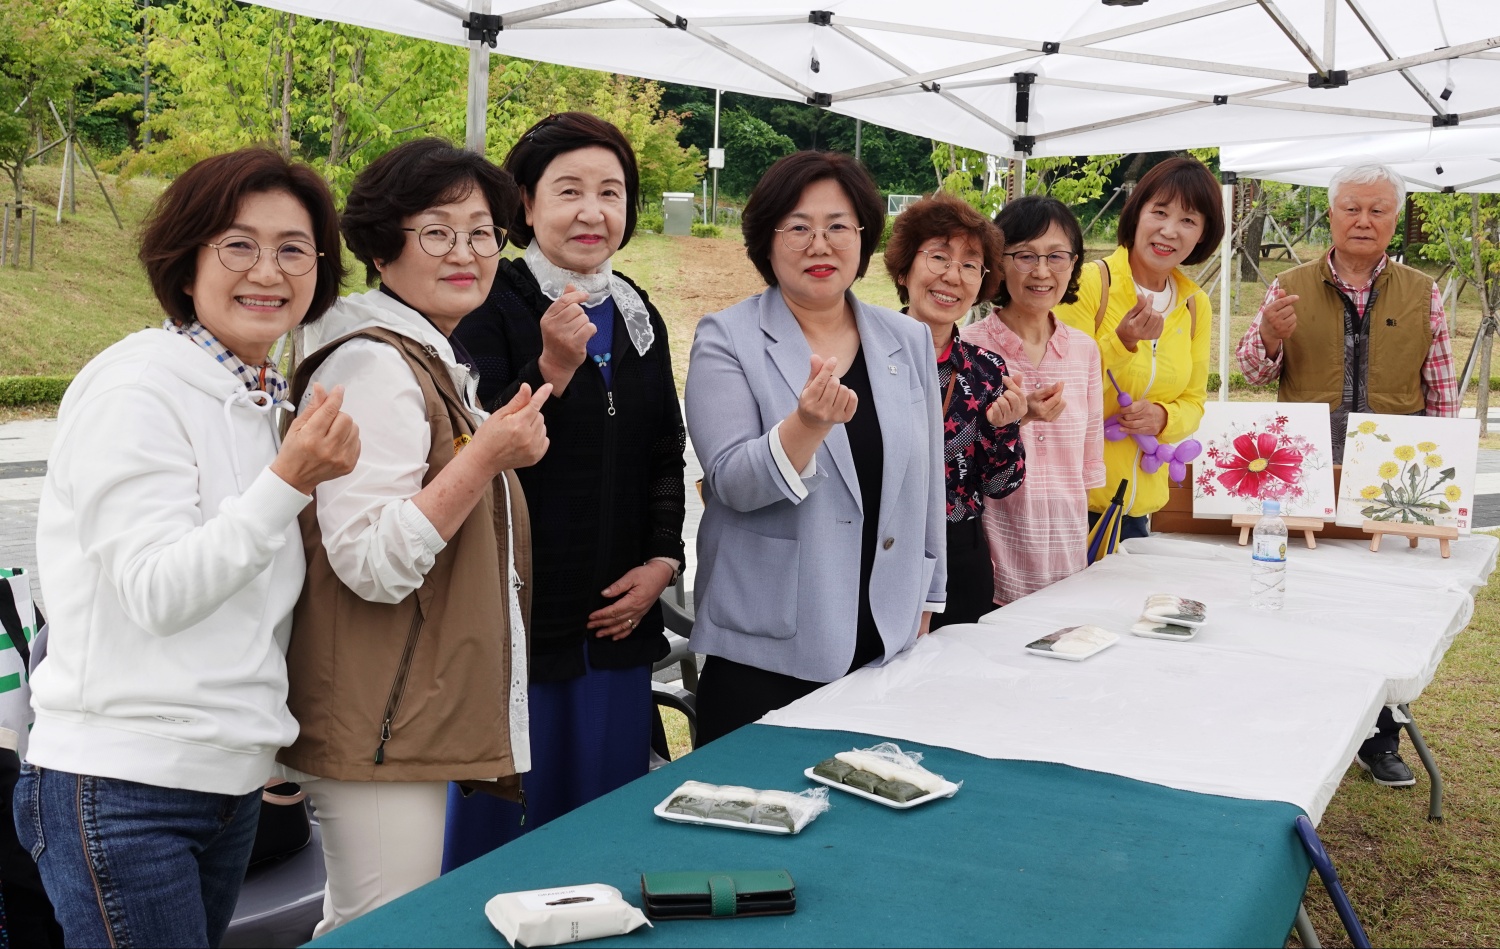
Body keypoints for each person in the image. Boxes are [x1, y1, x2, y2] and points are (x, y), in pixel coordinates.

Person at [18, 148, 359, 948]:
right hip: (122, 782)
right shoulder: (138, 386)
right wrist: (289, 480)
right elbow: (157, 590)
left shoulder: (260, 399)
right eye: (238, 245)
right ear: (187, 257)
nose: (267, 271)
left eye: (293, 248)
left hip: (230, 782)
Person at [277, 138, 549, 934]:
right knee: (381, 929)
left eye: (482, 232)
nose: (465, 252)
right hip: (376, 716)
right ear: (381, 245)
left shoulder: (421, 354)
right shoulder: (375, 366)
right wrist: (486, 455)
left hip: (391, 710)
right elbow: (369, 560)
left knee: (363, 923)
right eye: (436, 231)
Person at [443, 112, 686, 867]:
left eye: (610, 192)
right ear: (525, 201)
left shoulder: (637, 312)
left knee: (605, 839)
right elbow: (473, 449)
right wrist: (550, 367)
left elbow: (664, 448)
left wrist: (662, 561)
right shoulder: (490, 303)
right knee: (505, 846)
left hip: (616, 623)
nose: (592, 211)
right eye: (569, 190)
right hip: (519, 625)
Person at [684, 150, 947, 744]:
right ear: (766, 240)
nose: (819, 245)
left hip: (886, 630)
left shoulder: (906, 338)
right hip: (768, 643)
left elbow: (926, 481)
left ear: (863, 236)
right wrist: (805, 425)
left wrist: (929, 595)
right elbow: (731, 483)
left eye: (838, 227)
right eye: (798, 227)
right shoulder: (727, 337)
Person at [1235, 160, 1458, 790]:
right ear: (1331, 214)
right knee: (1302, 597)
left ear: (1395, 218)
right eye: (1351, 208)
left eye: (1377, 210)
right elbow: (1252, 370)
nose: (1364, 220)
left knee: (1381, 606)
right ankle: (1294, 723)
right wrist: (1270, 336)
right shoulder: (1289, 284)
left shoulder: (1422, 291)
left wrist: (1443, 481)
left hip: (1392, 475)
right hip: (1306, 469)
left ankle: (1379, 738)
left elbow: (1441, 393)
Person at [1054, 156, 1220, 539]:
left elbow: (1194, 402)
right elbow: (1061, 387)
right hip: (1073, 504)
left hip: (1137, 512)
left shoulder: (1195, 304)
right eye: (1159, 212)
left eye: (1188, 220)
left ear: (1202, 234)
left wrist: (1163, 418)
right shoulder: (1088, 283)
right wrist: (1122, 342)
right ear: (1137, 213)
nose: (1169, 231)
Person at [883, 193, 1026, 626]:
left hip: (960, 552)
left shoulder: (987, 370)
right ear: (905, 269)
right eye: (939, 257)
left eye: (969, 265)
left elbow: (1001, 485)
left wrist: (1003, 429)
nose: (952, 275)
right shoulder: (865, 357)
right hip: (878, 547)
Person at [963, 196, 1104, 604]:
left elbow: (1085, 470)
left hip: (1067, 557)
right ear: (999, 263)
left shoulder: (1084, 351)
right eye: (1025, 256)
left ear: (1073, 264)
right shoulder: (968, 348)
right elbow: (953, 460)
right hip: (992, 562)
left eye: (1056, 256)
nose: (1042, 271)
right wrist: (1015, 419)